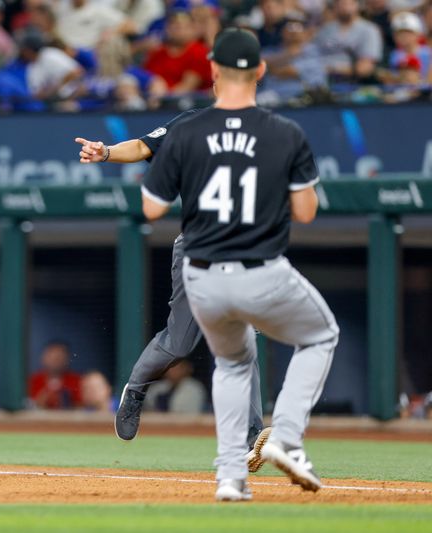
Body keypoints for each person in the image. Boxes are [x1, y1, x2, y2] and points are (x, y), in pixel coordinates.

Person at [141, 28, 339, 501]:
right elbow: (307, 213)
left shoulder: (187, 129)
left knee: (231, 365)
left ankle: (231, 477)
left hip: (203, 276)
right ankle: (287, 439)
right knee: (320, 335)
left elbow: (151, 208)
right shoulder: (285, 133)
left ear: (212, 71)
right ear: (261, 71)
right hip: (260, 270)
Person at [74, 111, 269, 476]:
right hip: (196, 247)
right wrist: (106, 153)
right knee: (179, 344)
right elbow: (144, 146)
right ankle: (135, 389)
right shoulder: (194, 123)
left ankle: (251, 432)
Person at [28, 341, 82, 409]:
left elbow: (84, 407)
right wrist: (38, 403)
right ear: (43, 358)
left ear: (67, 359)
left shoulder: (78, 381)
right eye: (52, 356)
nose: (55, 360)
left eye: (59, 357)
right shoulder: (32, 381)